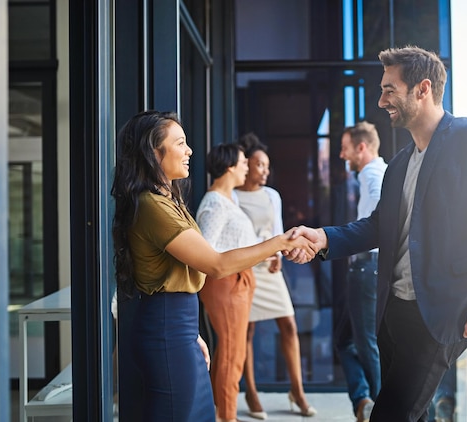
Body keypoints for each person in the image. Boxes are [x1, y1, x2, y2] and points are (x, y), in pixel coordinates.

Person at [284, 45, 467, 422]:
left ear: (423, 89)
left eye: (389, 89)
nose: (381, 99)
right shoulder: (400, 163)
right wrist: (324, 237)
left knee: (391, 415)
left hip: (441, 313)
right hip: (392, 310)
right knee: (417, 415)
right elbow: (377, 226)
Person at [111, 110, 318, 422]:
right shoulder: (153, 207)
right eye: (180, 143)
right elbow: (216, 264)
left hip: (178, 326)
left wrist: (191, 334)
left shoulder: (168, 201)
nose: (189, 150)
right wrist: (280, 242)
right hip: (167, 327)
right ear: (153, 153)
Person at [235, 133, 316, 419]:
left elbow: (278, 231)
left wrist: (279, 258)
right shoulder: (231, 194)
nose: (265, 170)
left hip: (269, 268)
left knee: (289, 326)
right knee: (246, 331)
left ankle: (298, 391)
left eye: (267, 166)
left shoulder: (272, 195)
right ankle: (251, 392)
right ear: (246, 164)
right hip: (243, 268)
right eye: (260, 165)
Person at [196, 143, 261, 422]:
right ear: (230, 166)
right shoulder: (214, 203)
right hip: (226, 284)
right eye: (243, 161)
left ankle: (222, 413)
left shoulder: (229, 199)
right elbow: (205, 251)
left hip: (240, 280)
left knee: (231, 350)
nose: (247, 165)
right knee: (232, 353)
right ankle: (227, 416)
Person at [335, 122, 386, 422]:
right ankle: (363, 400)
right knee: (346, 340)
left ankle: (381, 409)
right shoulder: (375, 172)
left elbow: (383, 205)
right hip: (367, 267)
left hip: (369, 267)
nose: (342, 155)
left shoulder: (373, 173)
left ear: (362, 147)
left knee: (366, 344)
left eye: (345, 148)